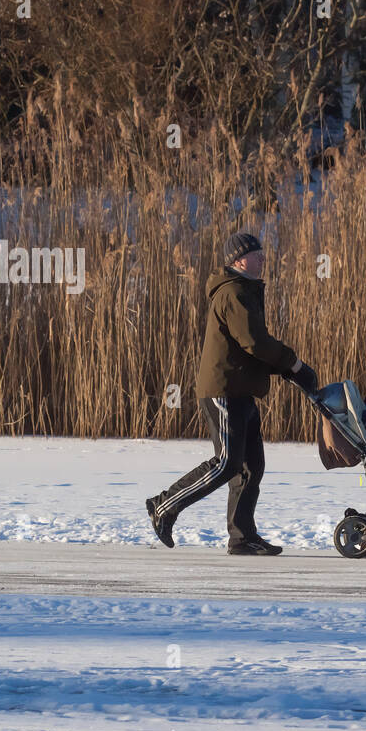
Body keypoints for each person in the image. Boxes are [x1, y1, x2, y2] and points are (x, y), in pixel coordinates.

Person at [145, 231, 318, 555]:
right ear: (239, 259)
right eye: (256, 253)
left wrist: (284, 368)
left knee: (252, 467)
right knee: (227, 462)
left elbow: (251, 348)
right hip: (223, 390)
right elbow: (254, 341)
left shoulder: (244, 291)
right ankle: (164, 505)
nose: (263, 258)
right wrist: (293, 363)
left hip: (241, 389)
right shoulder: (234, 293)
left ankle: (242, 537)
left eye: (262, 252)